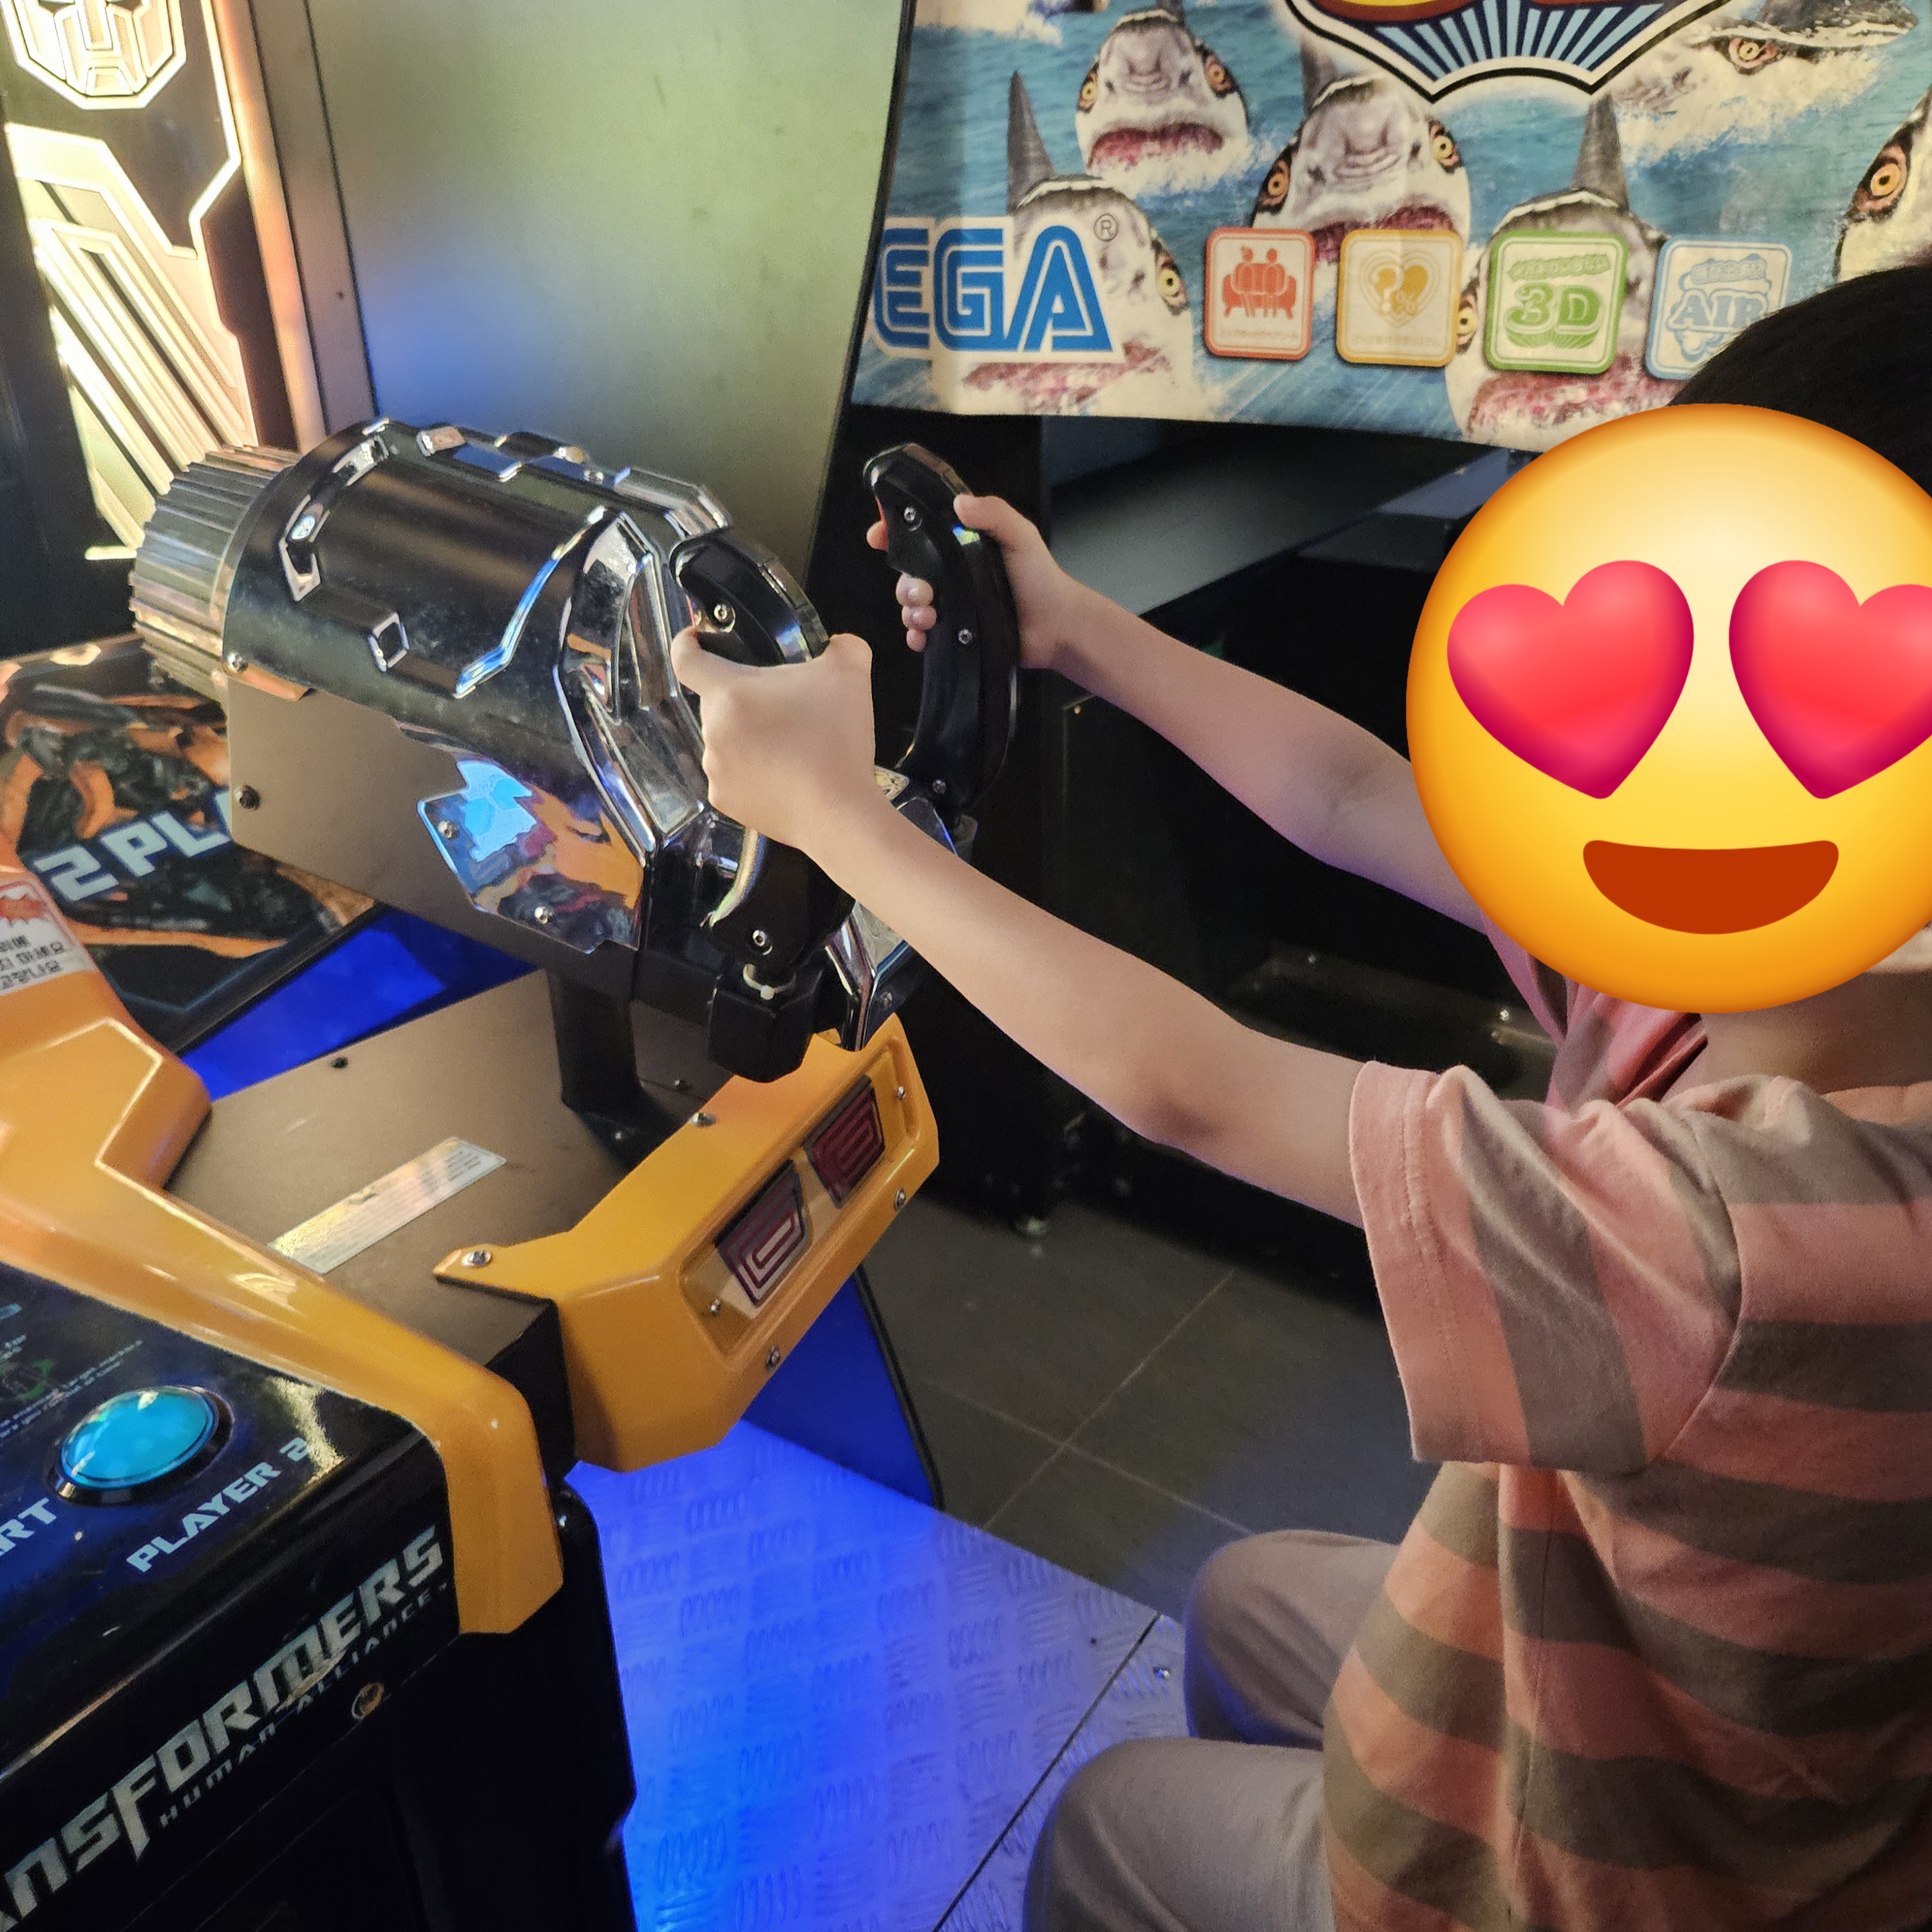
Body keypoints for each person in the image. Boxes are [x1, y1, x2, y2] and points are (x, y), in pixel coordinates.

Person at [669, 263, 1932, 1931]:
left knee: (1105, 1828)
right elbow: (1353, 795)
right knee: (1246, 1595)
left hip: (1609, 1877)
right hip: (1605, 1669)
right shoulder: (1736, 956)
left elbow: (1189, 1090)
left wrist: (838, 819)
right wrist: (1075, 630)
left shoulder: (1762, 1239)